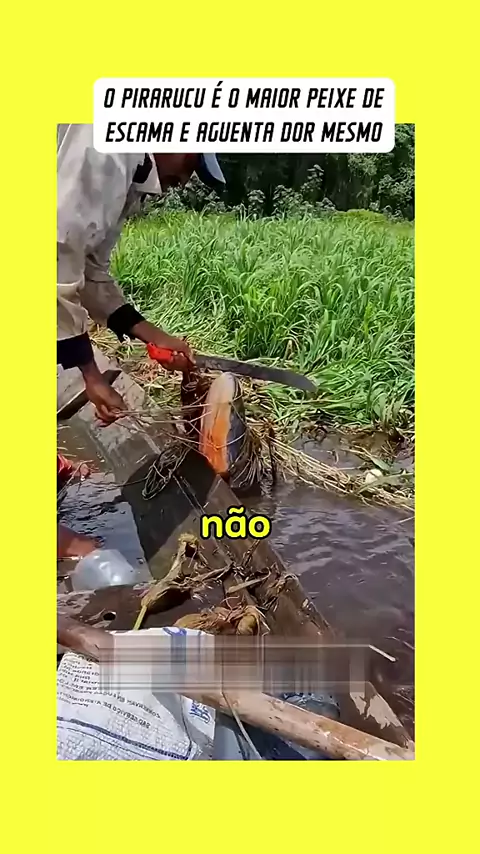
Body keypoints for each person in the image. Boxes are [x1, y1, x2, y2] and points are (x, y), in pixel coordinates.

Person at [57, 124, 226, 422]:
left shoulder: (128, 171)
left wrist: (156, 336)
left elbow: (91, 272)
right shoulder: (109, 151)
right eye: (191, 162)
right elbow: (57, 254)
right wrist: (91, 375)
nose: (184, 181)